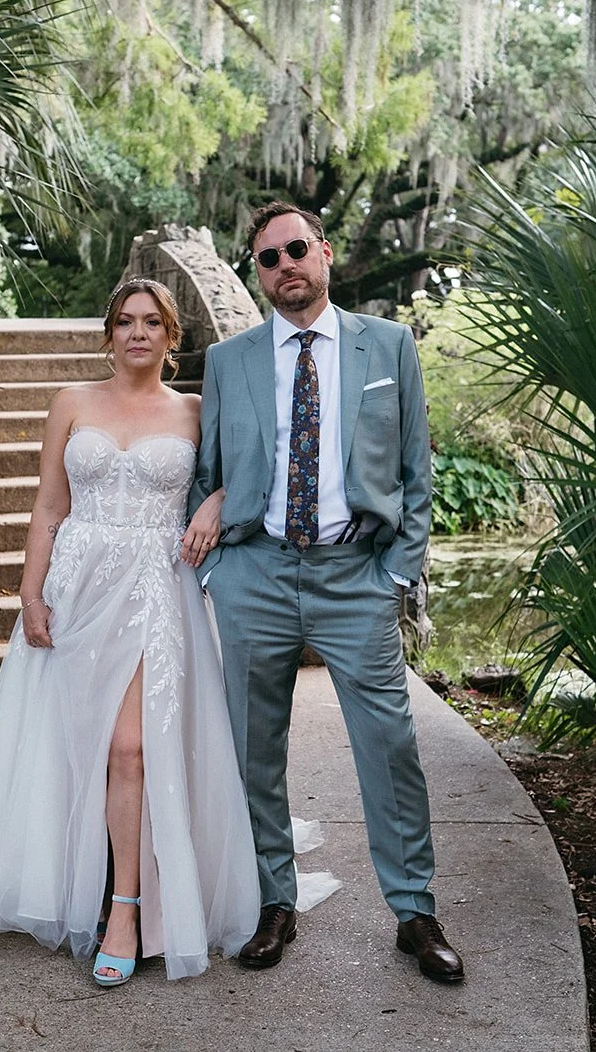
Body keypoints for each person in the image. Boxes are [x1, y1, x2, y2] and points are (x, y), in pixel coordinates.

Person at [0, 279, 258, 986]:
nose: (138, 333)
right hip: (77, 586)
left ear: (171, 335)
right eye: (126, 321)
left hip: (156, 590)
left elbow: (239, 477)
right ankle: (72, 873)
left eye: (153, 322)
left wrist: (217, 500)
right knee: (79, 745)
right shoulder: (71, 403)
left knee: (131, 746)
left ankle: (127, 909)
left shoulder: (197, 409)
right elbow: (49, 502)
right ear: (109, 334)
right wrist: (28, 590)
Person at [184, 201, 466, 983]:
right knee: (253, 748)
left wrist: (395, 577)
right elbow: (202, 475)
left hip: (355, 579)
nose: (284, 267)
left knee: (391, 743)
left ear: (326, 252)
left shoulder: (390, 346)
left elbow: (416, 474)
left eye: (295, 249)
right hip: (255, 575)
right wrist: (216, 571)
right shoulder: (230, 359)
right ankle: (275, 901)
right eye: (267, 259)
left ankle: (415, 913)